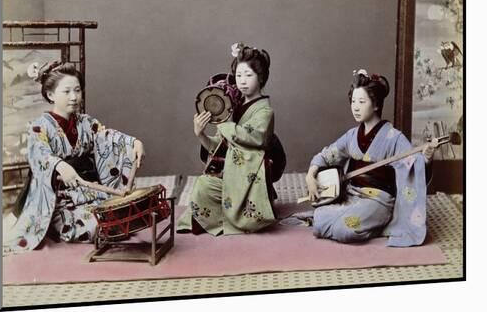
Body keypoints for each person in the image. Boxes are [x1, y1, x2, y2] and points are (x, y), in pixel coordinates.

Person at [3, 61, 145, 255]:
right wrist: (59, 165)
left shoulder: (85, 122)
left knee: (122, 213)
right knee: (98, 225)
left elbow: (107, 136)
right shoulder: (40, 127)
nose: (74, 97)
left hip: (88, 191)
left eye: (77, 90)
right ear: (51, 95)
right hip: (60, 200)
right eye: (67, 91)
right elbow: (39, 154)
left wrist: (133, 143)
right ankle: (55, 226)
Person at [305, 69, 436, 247]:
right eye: (353, 101)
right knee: (319, 219)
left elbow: (413, 164)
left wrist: (426, 158)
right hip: (352, 194)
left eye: (361, 101)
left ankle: (381, 223)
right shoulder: (352, 135)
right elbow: (327, 155)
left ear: (375, 105)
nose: (355, 107)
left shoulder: (393, 137)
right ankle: (368, 223)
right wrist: (310, 176)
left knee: (347, 228)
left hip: (378, 200)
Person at [177, 43, 281, 236]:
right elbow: (220, 147)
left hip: (251, 173)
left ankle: (241, 213)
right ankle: (212, 219)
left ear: (261, 77)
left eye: (248, 75)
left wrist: (222, 124)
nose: (242, 81)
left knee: (206, 188)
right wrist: (200, 133)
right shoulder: (234, 106)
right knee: (203, 184)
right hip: (233, 171)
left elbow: (251, 137)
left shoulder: (265, 111)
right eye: (239, 75)